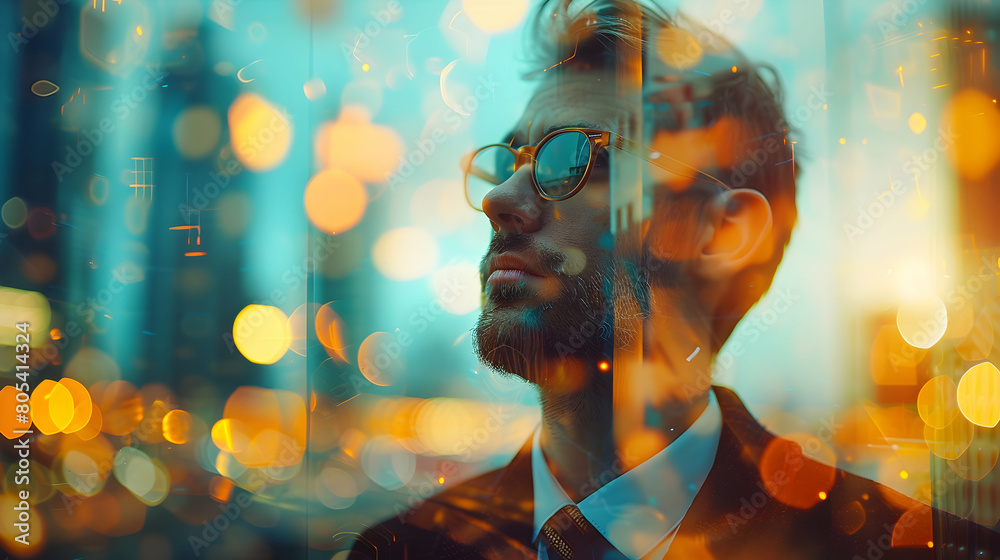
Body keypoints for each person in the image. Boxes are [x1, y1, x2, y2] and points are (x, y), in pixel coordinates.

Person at [349, 1, 999, 558]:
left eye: (575, 155)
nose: (501, 199)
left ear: (721, 234)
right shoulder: (400, 549)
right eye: (509, 161)